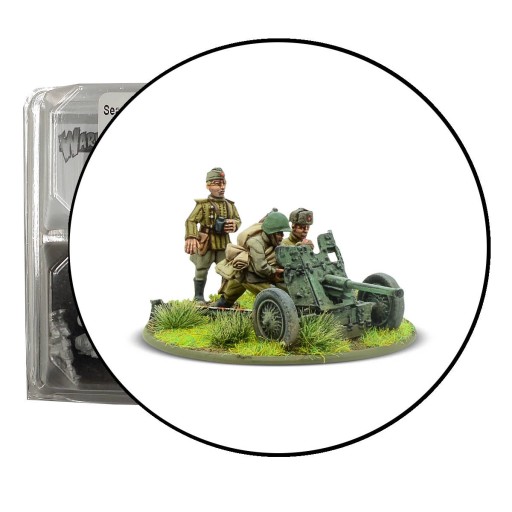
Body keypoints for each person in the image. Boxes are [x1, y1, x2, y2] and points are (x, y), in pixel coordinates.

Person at [212, 210, 291, 308]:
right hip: (250, 277)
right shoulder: (255, 242)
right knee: (276, 297)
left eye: (282, 233)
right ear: (271, 233)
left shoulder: (276, 243)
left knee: (228, 298)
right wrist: (274, 271)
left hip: (256, 275)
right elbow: (261, 267)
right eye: (279, 233)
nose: (282, 236)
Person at [184, 167, 241, 301]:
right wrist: (191, 236)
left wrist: (234, 224)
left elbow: (238, 219)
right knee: (201, 269)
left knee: (227, 270)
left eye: (223, 183)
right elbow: (191, 220)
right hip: (206, 243)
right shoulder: (203, 205)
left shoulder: (230, 205)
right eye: (217, 184)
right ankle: (198, 297)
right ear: (208, 186)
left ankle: (225, 298)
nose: (222, 187)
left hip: (224, 243)